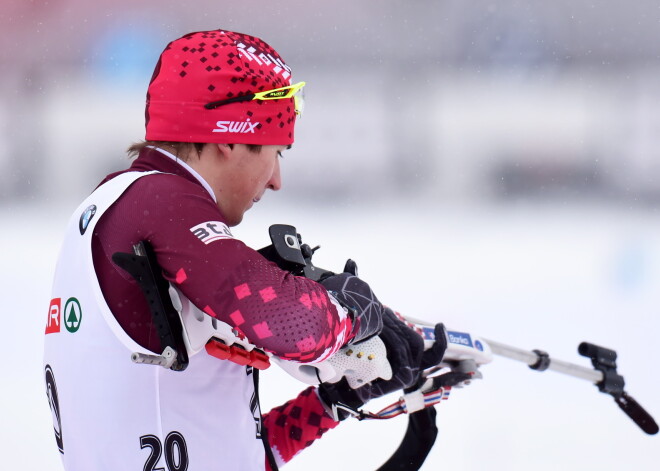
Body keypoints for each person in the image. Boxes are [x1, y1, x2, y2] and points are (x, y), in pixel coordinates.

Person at [43, 29, 444, 471]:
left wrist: (330, 402)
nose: (276, 180)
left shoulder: (129, 213)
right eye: (277, 154)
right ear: (229, 139)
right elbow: (298, 325)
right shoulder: (157, 200)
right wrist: (352, 310)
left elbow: (227, 452)